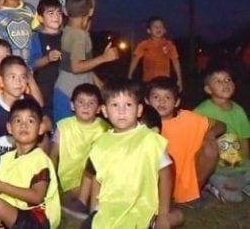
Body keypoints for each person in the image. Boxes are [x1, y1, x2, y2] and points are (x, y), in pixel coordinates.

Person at [83, 80, 177, 229]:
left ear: (139, 110)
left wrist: (163, 214)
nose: (122, 111)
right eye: (115, 105)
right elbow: (98, 179)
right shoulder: (101, 143)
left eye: (128, 105)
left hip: (140, 210)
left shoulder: (150, 140)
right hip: (109, 209)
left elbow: (165, 176)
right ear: (105, 111)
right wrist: (94, 211)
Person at [0, 98, 61, 229]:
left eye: (31, 121)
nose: (24, 125)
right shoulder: (6, 158)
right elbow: (0, 191)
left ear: (40, 128)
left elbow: (37, 197)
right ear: (9, 128)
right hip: (17, 212)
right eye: (18, 120)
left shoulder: (41, 160)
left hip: (37, 219)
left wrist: (2, 186)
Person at [146, 76, 223, 206]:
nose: (161, 102)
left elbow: (221, 125)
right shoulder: (140, 123)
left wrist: (210, 134)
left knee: (210, 148)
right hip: (154, 180)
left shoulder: (188, 119)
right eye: (156, 97)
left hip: (186, 177)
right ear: (147, 101)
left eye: (168, 97)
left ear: (176, 102)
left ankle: (192, 194)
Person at [53, 0, 118, 123]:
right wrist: (104, 58)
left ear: (65, 11)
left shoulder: (68, 30)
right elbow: (76, 67)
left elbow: (82, 64)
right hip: (71, 94)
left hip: (64, 91)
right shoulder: (79, 36)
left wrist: (98, 83)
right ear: (91, 11)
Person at [49, 84, 108, 218]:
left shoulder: (105, 128)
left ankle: (89, 213)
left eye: (91, 103)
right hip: (70, 179)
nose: (85, 106)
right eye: (80, 102)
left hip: (98, 179)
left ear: (99, 108)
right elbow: (53, 156)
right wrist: (51, 183)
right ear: (72, 105)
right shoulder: (64, 127)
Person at [0, 56, 43, 181]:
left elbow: (44, 119)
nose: (18, 82)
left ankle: (42, 174)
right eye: (13, 77)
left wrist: (43, 126)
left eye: (23, 77)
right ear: (1, 81)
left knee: (43, 136)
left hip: (22, 155)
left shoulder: (28, 101)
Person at [195, 68, 250, 202]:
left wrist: (243, 163)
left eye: (228, 80)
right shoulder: (201, 112)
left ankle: (241, 182)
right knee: (233, 197)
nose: (225, 84)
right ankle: (211, 184)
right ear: (208, 89)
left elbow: (244, 140)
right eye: (218, 81)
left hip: (239, 165)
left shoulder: (239, 111)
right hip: (217, 169)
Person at [28, 0, 64, 122]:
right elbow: (32, 64)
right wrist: (47, 58)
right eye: (51, 13)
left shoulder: (68, 35)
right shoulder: (36, 37)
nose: (56, 17)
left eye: (59, 13)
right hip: (46, 91)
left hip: (66, 91)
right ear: (40, 18)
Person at [128, 16, 183, 90]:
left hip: (164, 80)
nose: (158, 28)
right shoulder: (143, 44)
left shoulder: (169, 45)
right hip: (148, 80)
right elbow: (135, 60)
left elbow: (175, 61)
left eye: (161, 27)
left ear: (164, 30)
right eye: (155, 27)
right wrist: (129, 75)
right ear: (149, 31)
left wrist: (179, 79)